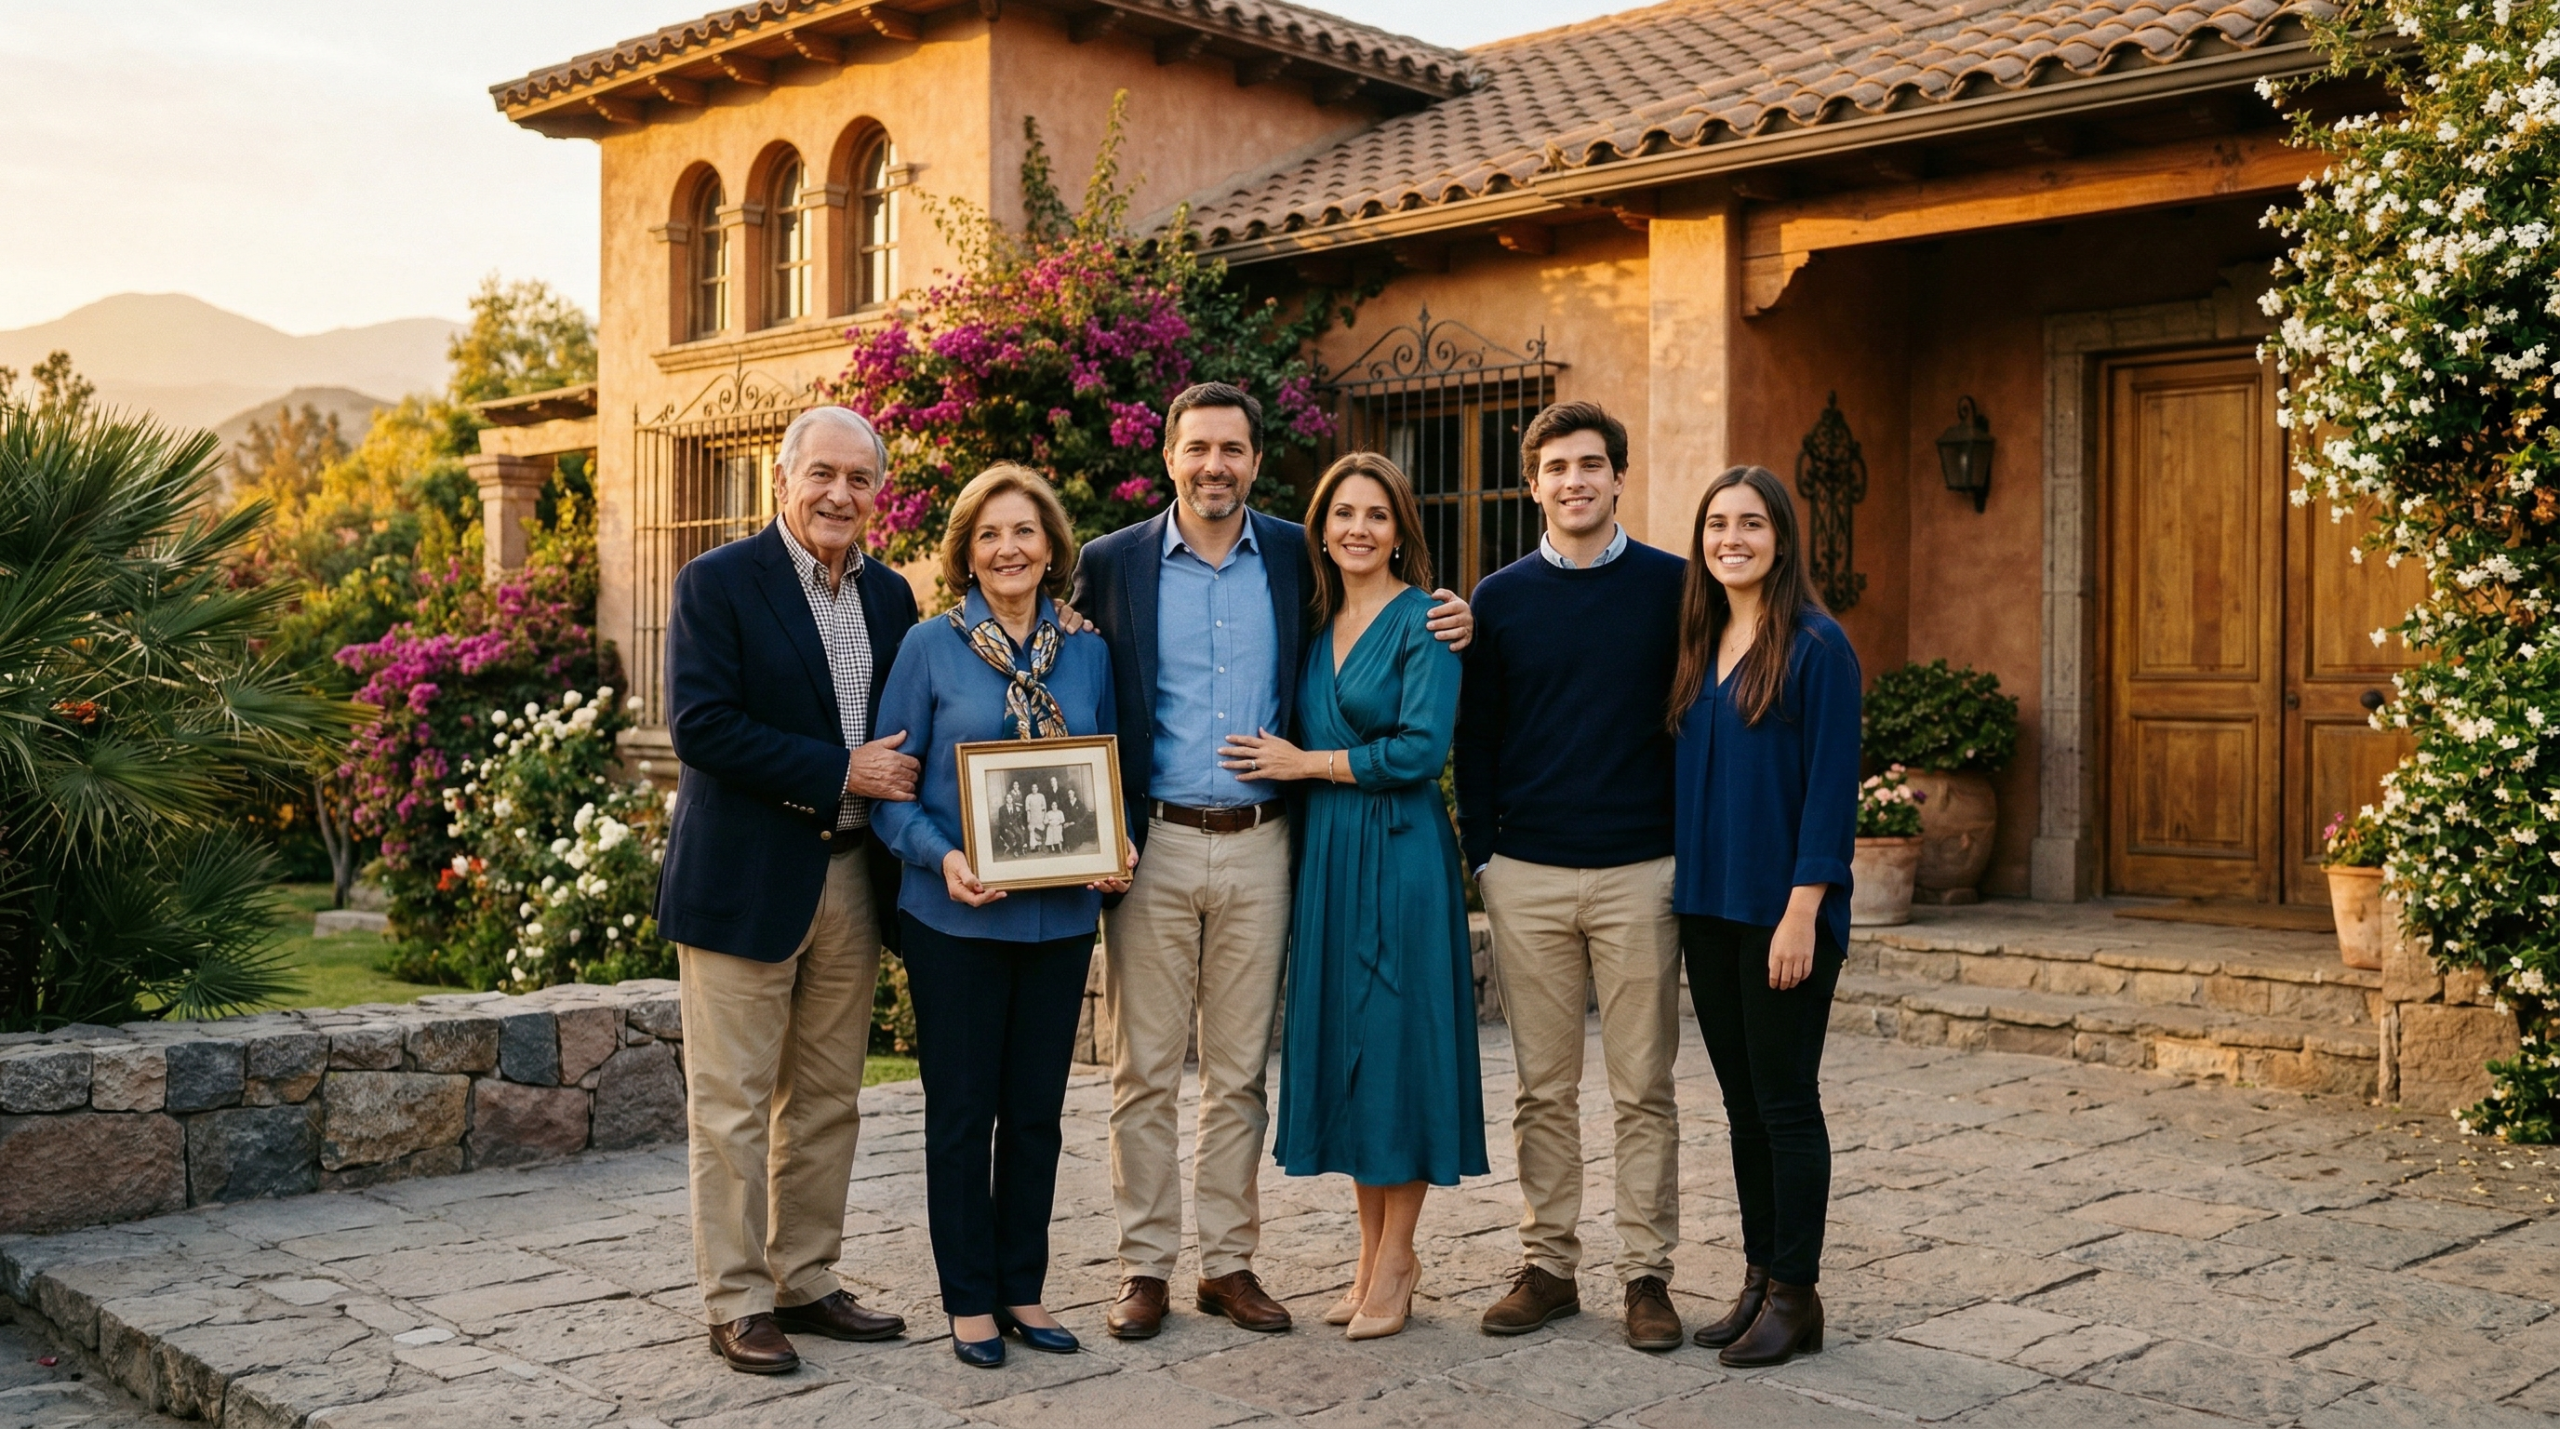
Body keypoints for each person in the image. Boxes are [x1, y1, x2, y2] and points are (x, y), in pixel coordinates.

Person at [1067, 382, 1472, 1340]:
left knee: (1240, 1072)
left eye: (1233, 450)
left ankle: (1229, 1263)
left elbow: (1394, 615)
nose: (1215, 465)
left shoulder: (1297, 553)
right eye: (1198, 447)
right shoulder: (1111, 562)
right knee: (1143, 1070)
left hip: (1265, 844)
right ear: (1169, 454)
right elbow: (1072, 679)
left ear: (1255, 460)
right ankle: (1144, 1267)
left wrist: (1461, 615)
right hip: (1154, 843)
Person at [656, 405, 919, 1374]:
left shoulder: (892, 597)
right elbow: (701, 726)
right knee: (730, 1104)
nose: (839, 494)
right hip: (744, 878)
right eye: (822, 474)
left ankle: (805, 1277)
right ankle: (737, 1299)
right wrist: (840, 769)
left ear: (878, 493)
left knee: (827, 1097)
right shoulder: (717, 582)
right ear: (782, 478)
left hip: (851, 875)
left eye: (859, 479)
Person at [872, 464, 1134, 1369]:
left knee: (1035, 1116)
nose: (1007, 548)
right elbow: (890, 794)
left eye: (1024, 531)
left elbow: (1108, 769)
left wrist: (1117, 841)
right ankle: (968, 1299)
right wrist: (943, 856)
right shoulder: (927, 648)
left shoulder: (1087, 652)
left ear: (1052, 547)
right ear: (967, 553)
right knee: (961, 1113)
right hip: (954, 921)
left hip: (1058, 920)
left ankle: (1023, 1286)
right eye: (989, 534)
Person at [1224, 453, 1485, 1341]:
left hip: (1402, 853)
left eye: (1376, 514)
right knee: (1355, 1051)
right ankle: (1370, 1257)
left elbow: (1421, 751)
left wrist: (1307, 763)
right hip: (1332, 855)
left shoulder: (1429, 621)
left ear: (1400, 528)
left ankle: (1400, 1257)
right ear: (1322, 529)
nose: (1358, 529)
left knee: (1399, 1050)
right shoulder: (1314, 620)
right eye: (1343, 514)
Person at [1453, 402, 1690, 1350]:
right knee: (1541, 1088)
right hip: (1530, 875)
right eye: (1555, 467)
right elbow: (1477, 735)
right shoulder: (1500, 598)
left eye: (1591, 464)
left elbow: (1694, 720)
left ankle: (1646, 1275)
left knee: (1644, 1086)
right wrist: (1485, 856)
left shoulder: (1674, 586)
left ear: (1619, 476)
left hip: (1642, 872)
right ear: (1533, 484)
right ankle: (1548, 1265)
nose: (1574, 480)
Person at [1668, 464, 1860, 1368]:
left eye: (1750, 523)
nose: (1731, 539)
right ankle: (1757, 1277)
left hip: (1782, 913)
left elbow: (1830, 788)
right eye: (1717, 524)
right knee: (1743, 1106)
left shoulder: (1819, 647)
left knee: (1786, 1103)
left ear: (1781, 538)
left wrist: (1804, 909)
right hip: (1707, 908)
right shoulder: (1699, 639)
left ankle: (1796, 1293)